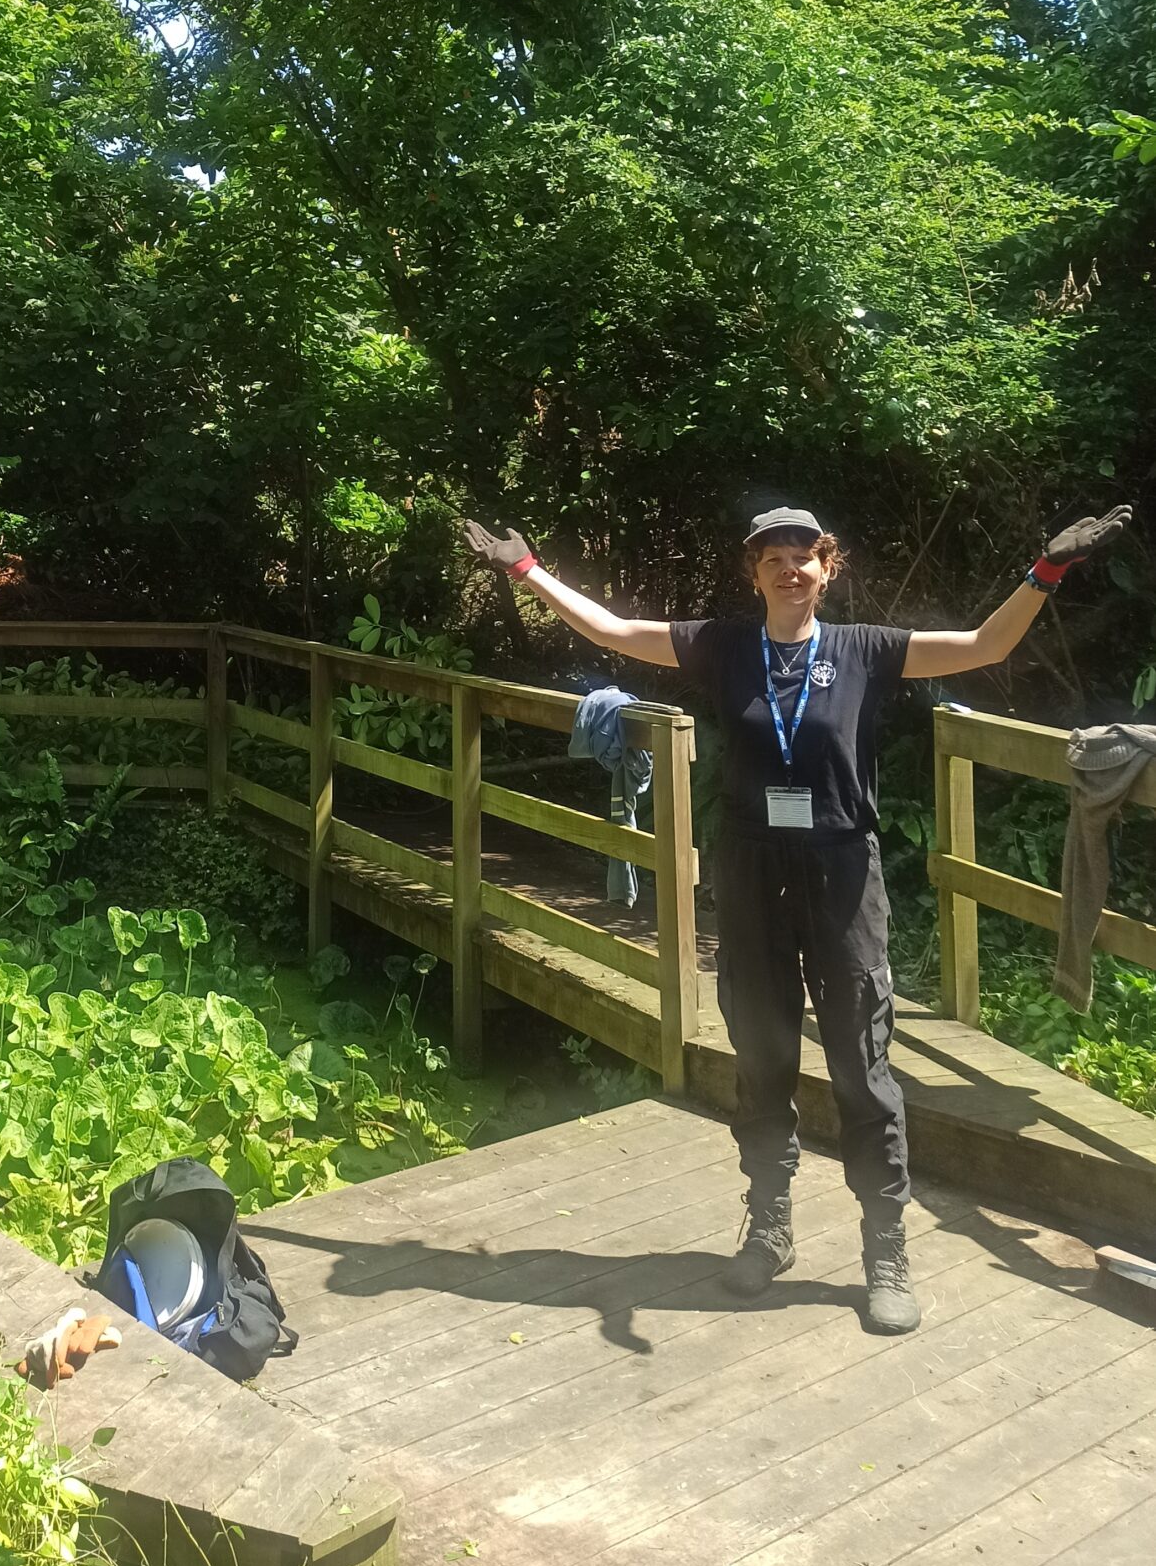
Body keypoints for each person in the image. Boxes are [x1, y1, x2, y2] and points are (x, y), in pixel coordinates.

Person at [463, 501, 1133, 1336]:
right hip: (752, 874)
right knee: (763, 1054)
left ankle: (885, 1250)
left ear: (827, 568)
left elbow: (984, 646)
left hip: (841, 873)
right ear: (754, 574)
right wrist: (527, 570)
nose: (789, 568)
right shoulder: (724, 646)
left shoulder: (864, 650)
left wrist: (1048, 569)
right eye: (771, 556)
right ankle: (770, 1228)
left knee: (861, 1065)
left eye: (802, 555)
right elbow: (614, 631)